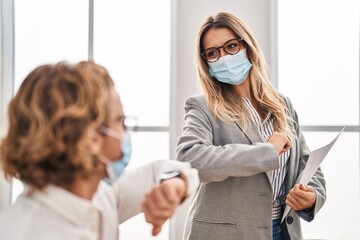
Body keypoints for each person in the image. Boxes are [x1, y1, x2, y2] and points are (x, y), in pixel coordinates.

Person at [0, 61, 199, 240]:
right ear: (92, 137)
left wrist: (174, 184)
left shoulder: (100, 192)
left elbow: (162, 170)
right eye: (120, 121)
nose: (125, 131)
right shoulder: (26, 232)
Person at [176, 12, 326, 240]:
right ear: (206, 62)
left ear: (248, 46)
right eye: (213, 53)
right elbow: (191, 160)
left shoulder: (282, 104)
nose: (224, 57)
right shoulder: (202, 106)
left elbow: (307, 166)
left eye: (231, 46)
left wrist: (312, 196)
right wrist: (266, 151)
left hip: (281, 231)